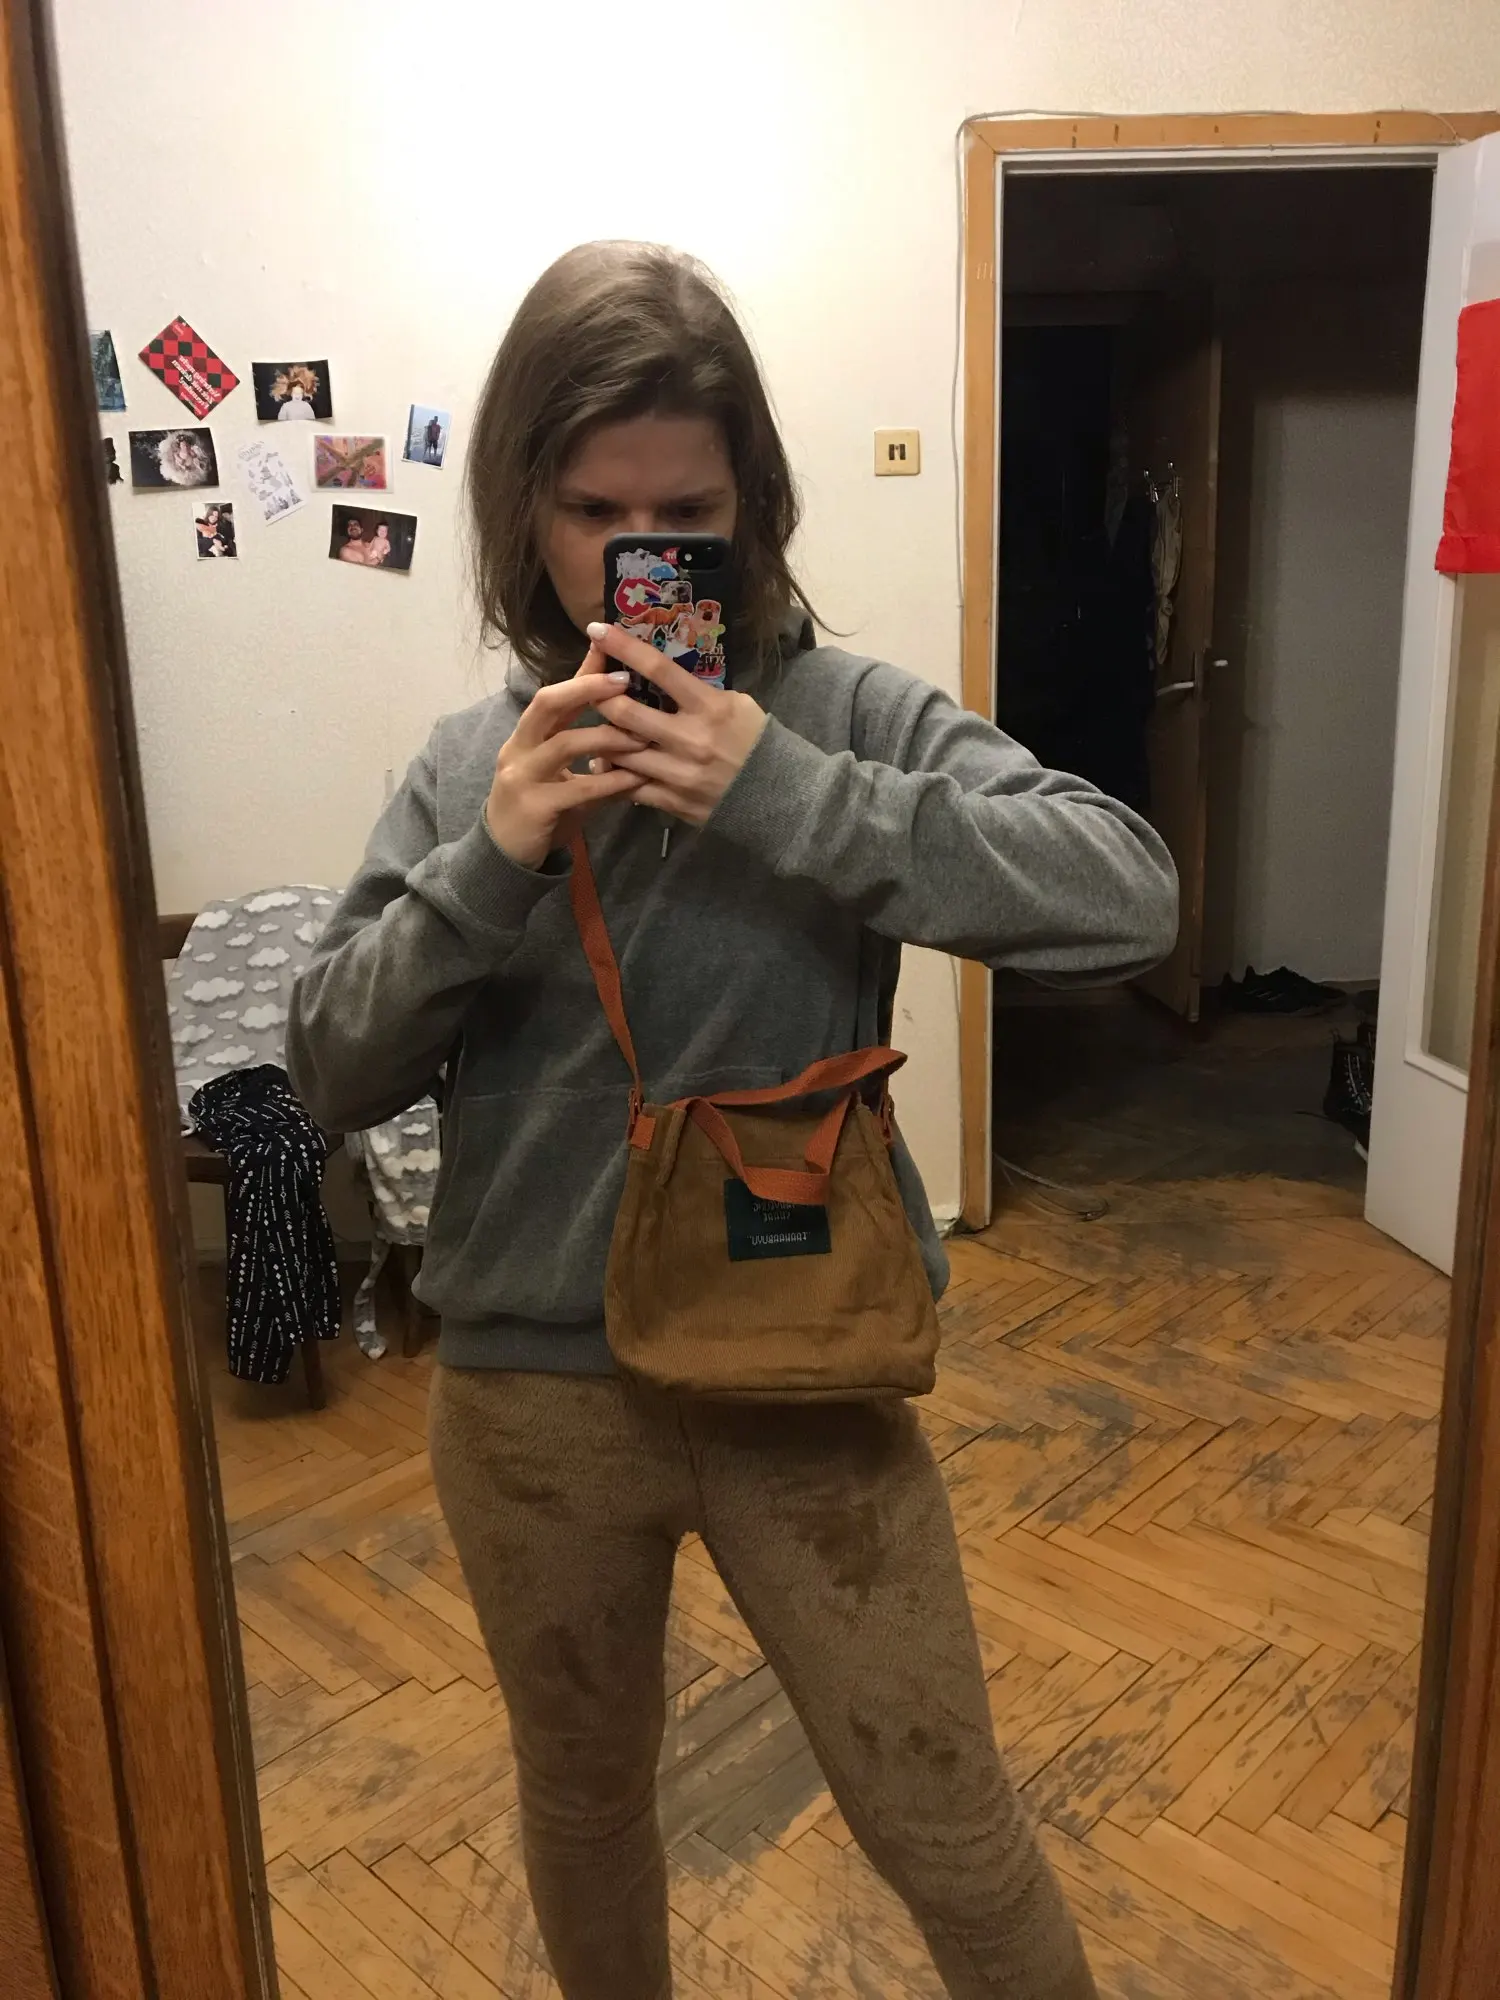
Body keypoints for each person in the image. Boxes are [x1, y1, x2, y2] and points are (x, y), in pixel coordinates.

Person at [288, 241, 1177, 2000]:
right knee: (584, 1803)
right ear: (523, 512)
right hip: (532, 1406)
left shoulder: (844, 719)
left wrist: (788, 791)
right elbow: (322, 1074)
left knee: (949, 1824)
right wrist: (493, 863)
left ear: (754, 504)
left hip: (810, 1376)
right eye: (592, 511)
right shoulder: (471, 765)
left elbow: (1127, 895)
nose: (640, 556)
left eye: (685, 512)